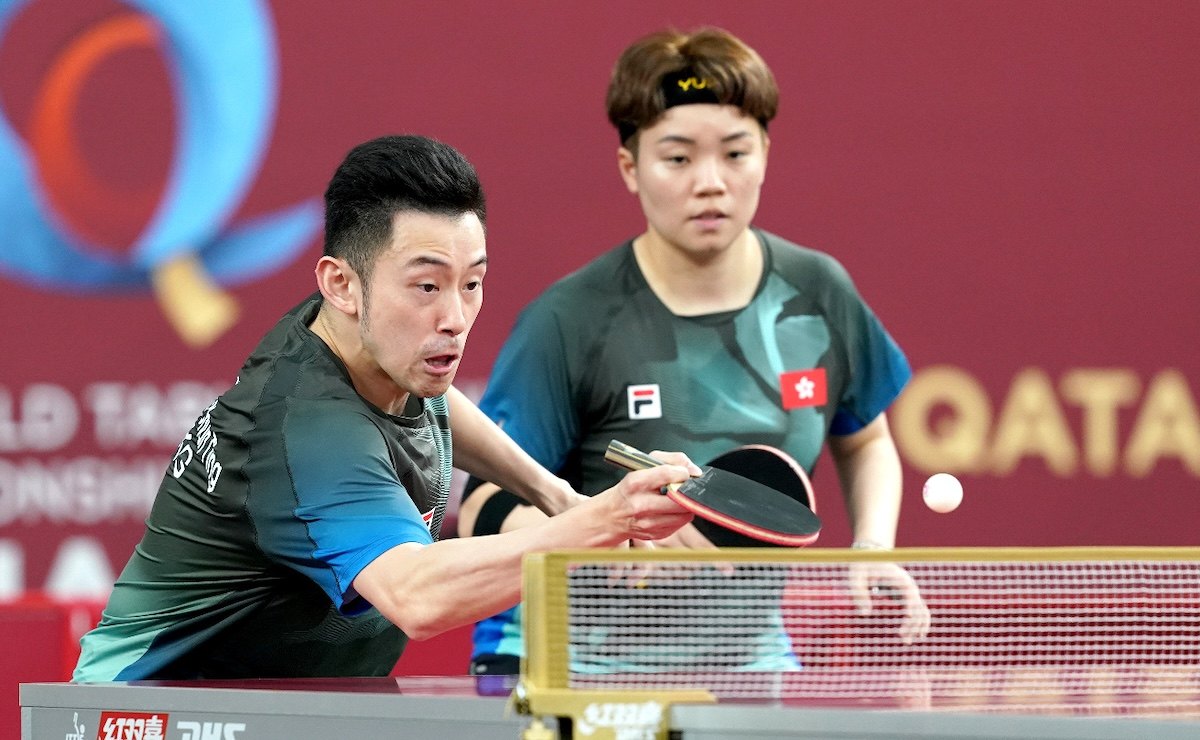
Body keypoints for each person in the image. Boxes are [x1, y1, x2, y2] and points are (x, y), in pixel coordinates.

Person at [72, 134, 698, 682]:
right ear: (341, 283)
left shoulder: (360, 337)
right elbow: (417, 596)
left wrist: (558, 496)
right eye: (427, 285)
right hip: (153, 710)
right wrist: (605, 522)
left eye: (472, 283)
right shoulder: (308, 432)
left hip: (275, 704)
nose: (454, 319)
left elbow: (438, 401)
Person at [457, 27, 929, 676]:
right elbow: (483, 503)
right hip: (570, 663)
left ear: (765, 152)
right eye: (678, 159)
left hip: (748, 661)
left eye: (735, 153)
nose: (710, 183)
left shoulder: (818, 294)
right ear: (631, 168)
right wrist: (600, 538)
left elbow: (866, 439)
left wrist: (874, 547)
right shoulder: (570, 319)